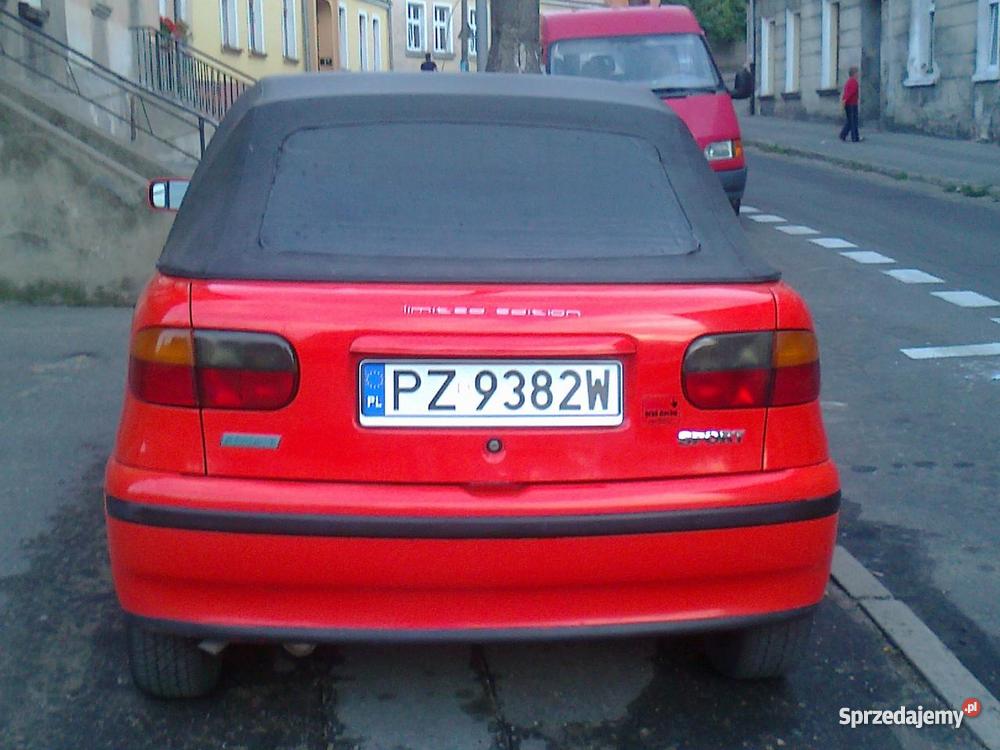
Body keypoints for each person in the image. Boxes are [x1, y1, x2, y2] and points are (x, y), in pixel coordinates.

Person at [839, 66, 862, 142]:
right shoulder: (853, 82)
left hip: (849, 104)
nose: (858, 74)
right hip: (852, 104)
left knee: (850, 121)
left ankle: (843, 135)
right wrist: (845, 100)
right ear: (854, 74)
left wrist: (844, 101)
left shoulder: (849, 81)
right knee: (853, 121)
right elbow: (850, 93)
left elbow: (846, 92)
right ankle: (855, 138)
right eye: (857, 72)